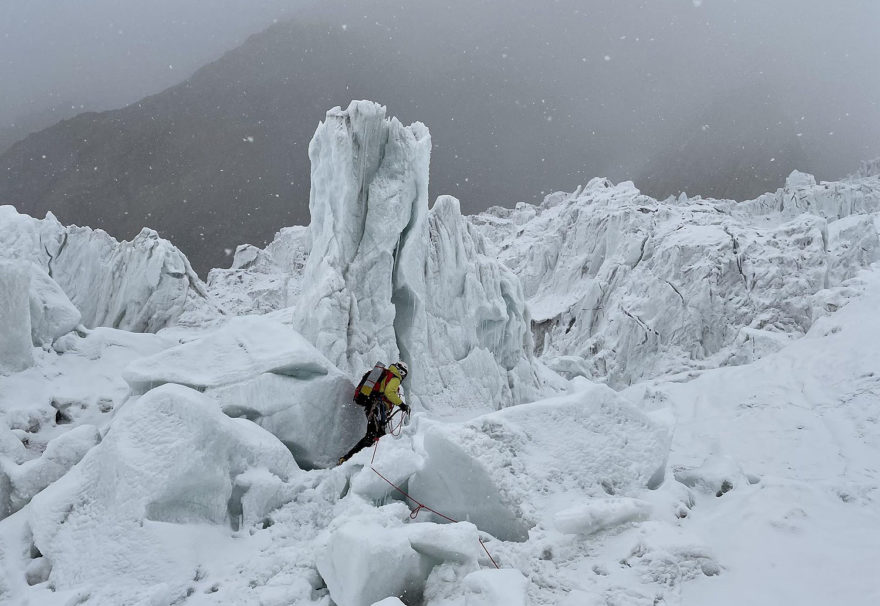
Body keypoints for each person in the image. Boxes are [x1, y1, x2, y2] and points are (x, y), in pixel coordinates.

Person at [338, 361, 410, 464]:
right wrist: (402, 405)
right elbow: (389, 392)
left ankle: (353, 460)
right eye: (403, 374)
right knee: (373, 436)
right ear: (401, 372)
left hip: (371, 405)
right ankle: (348, 460)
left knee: (376, 436)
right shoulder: (395, 377)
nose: (402, 376)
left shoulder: (386, 375)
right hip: (377, 406)